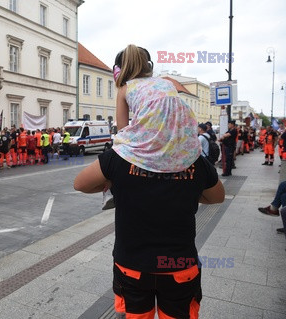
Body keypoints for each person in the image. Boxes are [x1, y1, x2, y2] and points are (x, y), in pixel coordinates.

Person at [74, 44, 225, 319]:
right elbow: (217, 197)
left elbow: (80, 184)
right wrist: (186, 189)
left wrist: (116, 180)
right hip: (180, 266)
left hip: (133, 266)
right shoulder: (193, 159)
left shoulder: (119, 158)